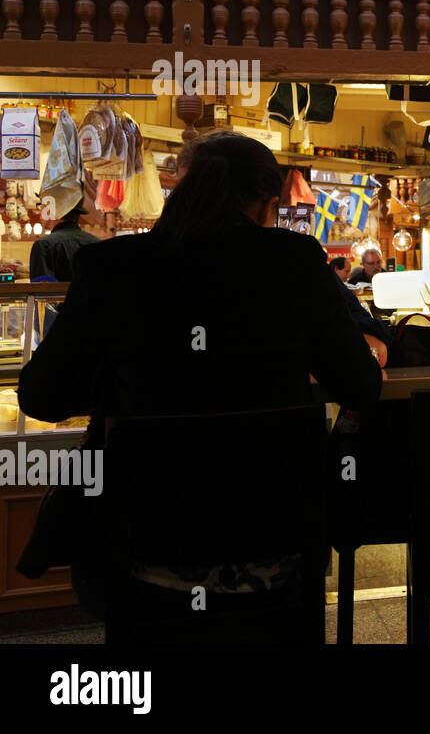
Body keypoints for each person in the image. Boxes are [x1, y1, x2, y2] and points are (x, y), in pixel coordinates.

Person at [16, 131, 383, 613]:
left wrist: (124, 375)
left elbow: (42, 397)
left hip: (143, 546)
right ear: (267, 205)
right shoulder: (294, 262)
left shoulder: (111, 267)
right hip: (276, 542)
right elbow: (360, 385)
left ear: (181, 186)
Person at [29, 202, 99, 283]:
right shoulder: (96, 243)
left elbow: (41, 291)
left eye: (42, 208)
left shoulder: (43, 245)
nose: (40, 215)